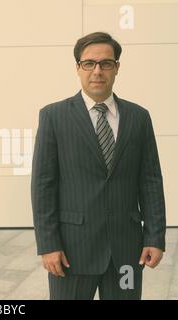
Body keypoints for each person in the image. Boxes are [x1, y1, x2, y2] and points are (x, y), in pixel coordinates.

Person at [31, 32, 166, 300]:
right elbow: (43, 186)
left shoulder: (139, 117)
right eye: (89, 63)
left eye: (105, 63)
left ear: (116, 68)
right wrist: (48, 245)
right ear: (77, 68)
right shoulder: (54, 117)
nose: (97, 71)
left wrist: (154, 237)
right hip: (71, 251)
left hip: (127, 250)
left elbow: (150, 181)